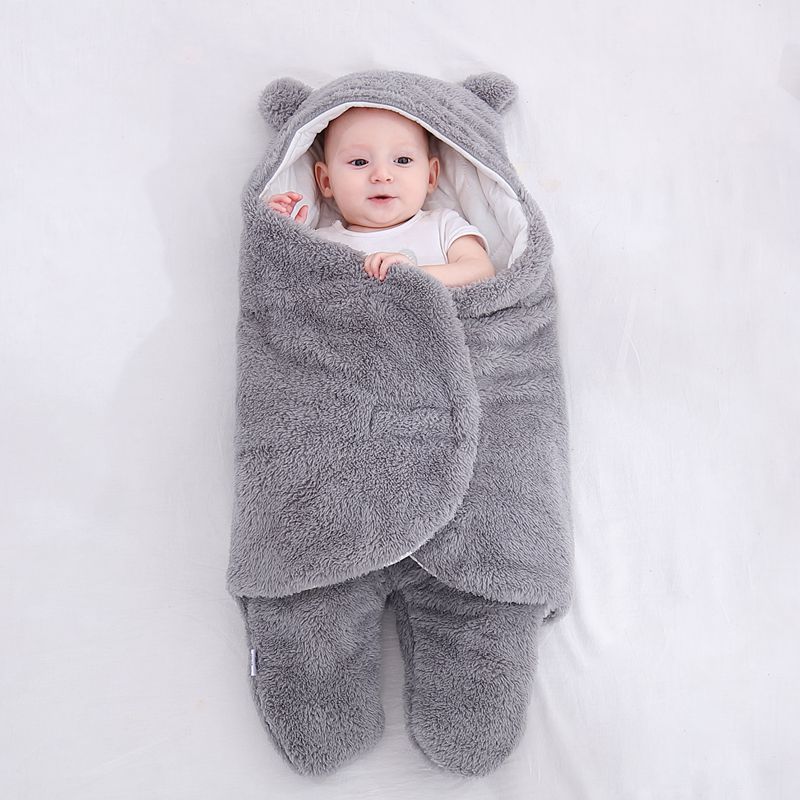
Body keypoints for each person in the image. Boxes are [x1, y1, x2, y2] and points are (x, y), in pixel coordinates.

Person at [265, 106, 496, 288]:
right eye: (359, 162)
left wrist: (417, 275)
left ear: (431, 176)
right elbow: (288, 290)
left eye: (402, 160)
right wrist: (284, 238)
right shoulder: (322, 243)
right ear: (326, 182)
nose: (382, 175)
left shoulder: (442, 225)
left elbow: (481, 270)